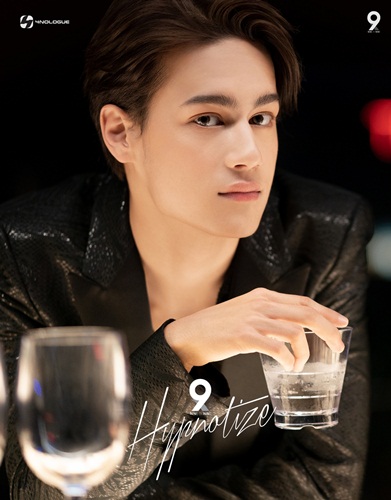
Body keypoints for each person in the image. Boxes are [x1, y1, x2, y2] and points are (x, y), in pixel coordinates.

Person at [1, 0, 372, 498]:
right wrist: (179, 349)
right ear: (120, 133)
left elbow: (325, 482)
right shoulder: (27, 250)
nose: (249, 155)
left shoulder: (323, 233)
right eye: (208, 118)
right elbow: (36, 490)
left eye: (262, 117)